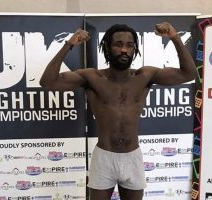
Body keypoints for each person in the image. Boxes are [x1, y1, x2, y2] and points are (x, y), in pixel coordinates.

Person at [39, 22, 196, 200]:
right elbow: (48, 82)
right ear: (107, 46)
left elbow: (189, 74)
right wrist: (69, 45)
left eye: (129, 45)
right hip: (104, 157)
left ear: (134, 49)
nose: (124, 50)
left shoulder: (145, 75)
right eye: (118, 44)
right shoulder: (91, 77)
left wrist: (174, 37)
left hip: (132, 157)